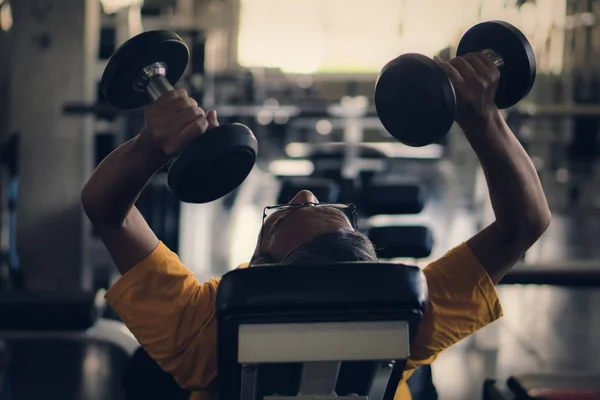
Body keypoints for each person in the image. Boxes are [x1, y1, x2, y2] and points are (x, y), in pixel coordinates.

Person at [81, 51, 551, 400]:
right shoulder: (409, 317)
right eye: (336, 216)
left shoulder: (205, 330)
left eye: (287, 214)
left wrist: (151, 146)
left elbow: (107, 210)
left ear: (259, 266)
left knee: (146, 372)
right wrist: (484, 120)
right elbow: (524, 223)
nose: (303, 193)